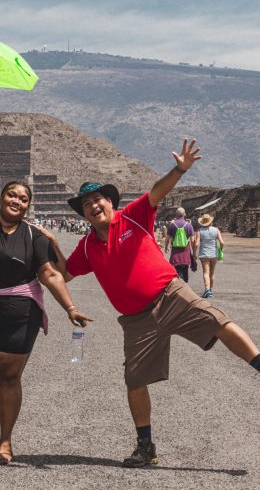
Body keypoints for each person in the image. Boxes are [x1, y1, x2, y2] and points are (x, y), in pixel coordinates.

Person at [40, 139, 260, 468]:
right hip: (136, 320)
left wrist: (180, 169)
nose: (93, 206)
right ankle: (146, 448)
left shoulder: (134, 216)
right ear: (83, 213)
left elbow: (157, 190)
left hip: (171, 295)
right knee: (135, 381)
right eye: (87, 204)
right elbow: (64, 274)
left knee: (218, 320)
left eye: (97, 199)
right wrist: (54, 243)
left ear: (109, 202)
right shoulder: (86, 246)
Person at [0, 105, 91, 465]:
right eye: (12, 195)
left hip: (18, 317)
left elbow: (51, 274)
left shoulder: (33, 236)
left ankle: (4, 442)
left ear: (28, 205)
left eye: (24, 198)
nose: (17, 200)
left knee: (7, 379)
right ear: (0, 197)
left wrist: (70, 308)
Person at [193, 213, 224, 298]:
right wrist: (220, 250)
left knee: (206, 272)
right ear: (210, 221)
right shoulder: (216, 230)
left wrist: (194, 253)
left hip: (204, 254)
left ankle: (207, 289)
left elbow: (196, 244)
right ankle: (210, 290)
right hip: (214, 253)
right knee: (212, 272)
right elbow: (222, 242)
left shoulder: (199, 231)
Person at [164, 207, 195, 282]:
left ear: (176, 215)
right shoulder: (188, 225)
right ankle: (185, 286)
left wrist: (166, 247)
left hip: (175, 252)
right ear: (184, 215)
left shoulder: (172, 225)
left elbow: (167, 239)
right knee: (185, 270)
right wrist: (194, 252)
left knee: (177, 271)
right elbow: (192, 240)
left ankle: (180, 287)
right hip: (186, 252)